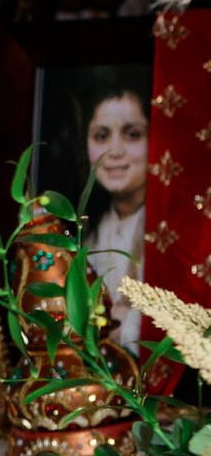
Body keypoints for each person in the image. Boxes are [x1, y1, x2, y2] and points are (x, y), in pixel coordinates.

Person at [82, 82, 149, 350]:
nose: (115, 151)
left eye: (132, 135)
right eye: (101, 136)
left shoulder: (182, 235)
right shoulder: (85, 234)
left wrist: (126, 327)